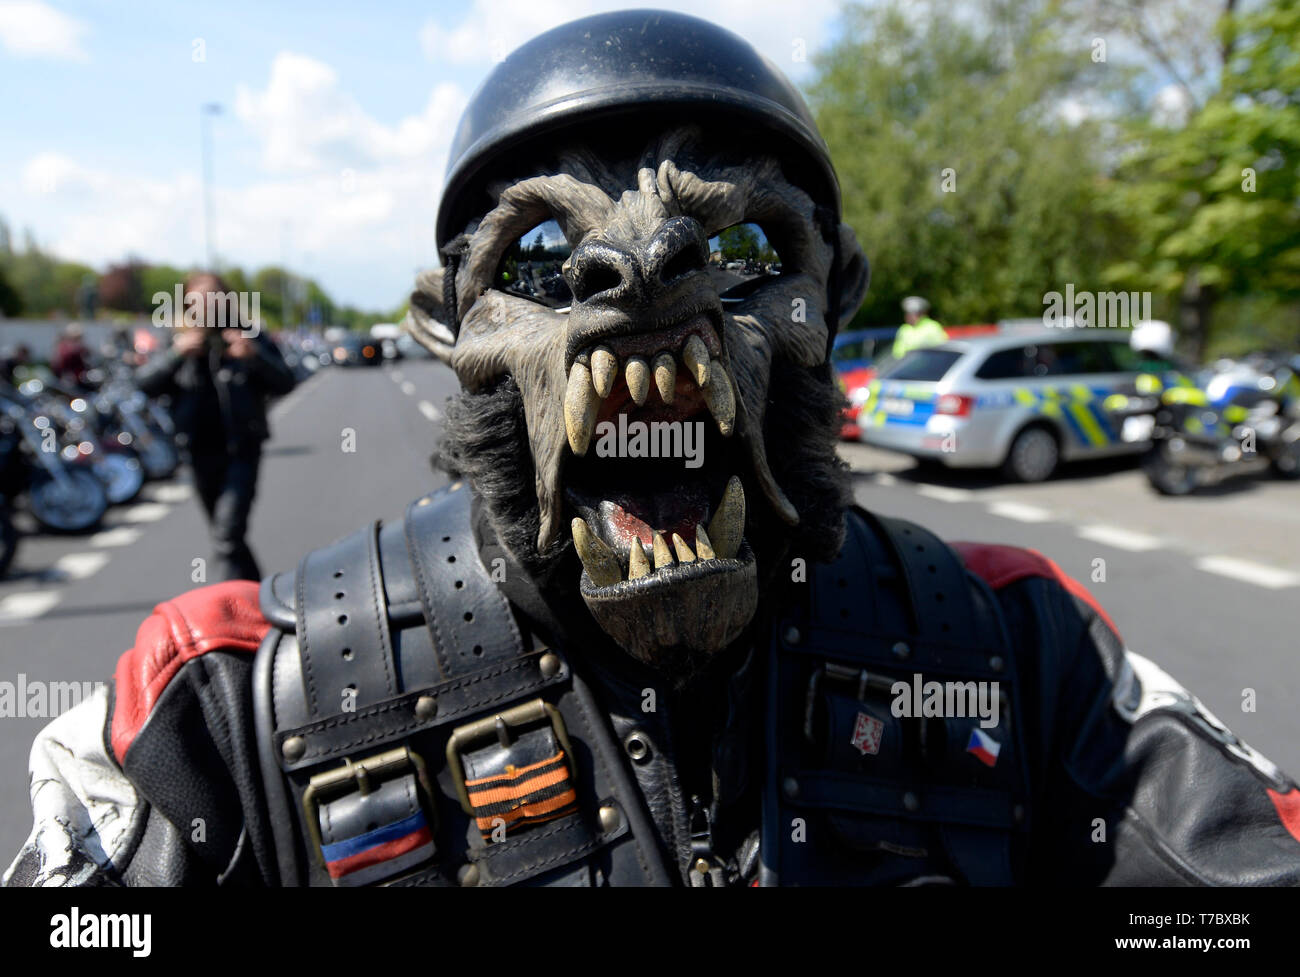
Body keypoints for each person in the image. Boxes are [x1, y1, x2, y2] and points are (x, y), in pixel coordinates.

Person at [6, 10, 1300, 888]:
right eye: (540, 263)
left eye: (745, 251)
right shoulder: (229, 703)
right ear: (448, 331)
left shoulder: (1018, 647)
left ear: (832, 299)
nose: (640, 271)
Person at [134, 272, 295, 582]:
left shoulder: (247, 335)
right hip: (197, 451)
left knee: (228, 532)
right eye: (199, 299)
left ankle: (230, 610)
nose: (207, 306)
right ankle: (257, 595)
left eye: (213, 298)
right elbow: (144, 385)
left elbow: (285, 381)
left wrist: (254, 357)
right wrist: (176, 355)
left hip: (242, 448)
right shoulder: (177, 340)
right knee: (225, 537)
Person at [891, 295, 948, 360]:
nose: (908, 316)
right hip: (906, 367)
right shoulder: (904, 329)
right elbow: (897, 352)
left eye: (912, 314)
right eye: (907, 314)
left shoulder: (932, 327)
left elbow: (943, 349)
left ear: (921, 314)